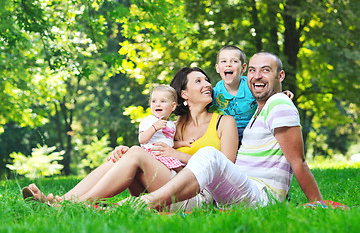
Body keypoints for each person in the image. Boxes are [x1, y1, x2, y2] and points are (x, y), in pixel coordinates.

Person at [22, 67, 239, 212]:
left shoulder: (223, 122)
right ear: (183, 94)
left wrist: (177, 154)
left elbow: (226, 169)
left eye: (207, 80)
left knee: (136, 152)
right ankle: (61, 201)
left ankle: (70, 206)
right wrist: (124, 151)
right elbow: (152, 150)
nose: (207, 84)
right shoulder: (175, 125)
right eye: (199, 81)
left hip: (196, 194)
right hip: (166, 183)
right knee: (128, 153)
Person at [139, 52, 322, 210]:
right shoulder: (258, 111)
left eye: (265, 70)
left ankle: (147, 203)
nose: (257, 76)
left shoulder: (279, 103)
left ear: (280, 76)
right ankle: (131, 204)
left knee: (210, 154)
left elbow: (299, 161)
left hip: (262, 197)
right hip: (241, 188)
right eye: (252, 70)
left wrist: (318, 203)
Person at [212, 45, 293, 147]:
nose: (228, 65)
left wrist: (280, 95)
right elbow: (201, 102)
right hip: (230, 131)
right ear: (217, 68)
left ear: (243, 68)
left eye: (234, 61)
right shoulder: (216, 92)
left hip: (253, 128)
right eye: (224, 61)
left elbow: (266, 93)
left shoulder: (250, 85)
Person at [138, 85, 184, 171]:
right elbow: (142, 139)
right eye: (154, 101)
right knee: (181, 171)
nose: (157, 104)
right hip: (153, 154)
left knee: (183, 171)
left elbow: (170, 142)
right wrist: (154, 127)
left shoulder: (171, 124)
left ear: (173, 106)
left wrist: (184, 143)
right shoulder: (149, 120)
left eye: (163, 101)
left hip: (166, 155)